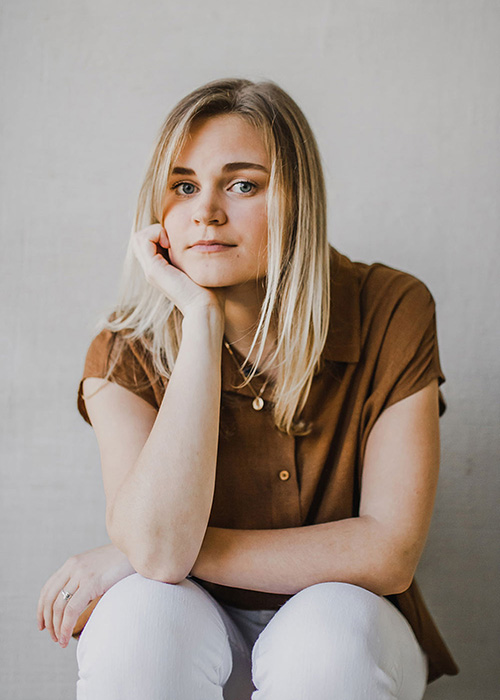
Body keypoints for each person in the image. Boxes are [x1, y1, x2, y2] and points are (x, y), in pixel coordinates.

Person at [36, 77, 459, 699]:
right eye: (183, 187)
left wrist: (137, 552)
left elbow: (388, 553)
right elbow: (159, 562)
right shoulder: (124, 350)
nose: (205, 211)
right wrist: (200, 326)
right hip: (198, 628)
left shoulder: (392, 308)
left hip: (351, 633)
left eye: (242, 185)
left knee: (326, 636)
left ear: (296, 201)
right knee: (137, 624)